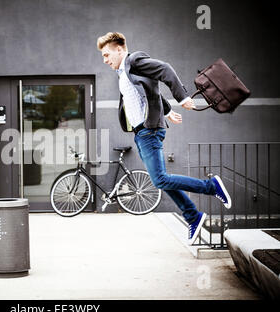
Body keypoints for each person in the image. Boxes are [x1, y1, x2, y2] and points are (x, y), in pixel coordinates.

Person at [97, 32, 231, 245]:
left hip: (149, 131)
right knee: (163, 180)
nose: (105, 60)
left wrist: (183, 97)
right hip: (141, 133)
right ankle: (193, 216)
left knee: (159, 180)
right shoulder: (124, 72)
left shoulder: (134, 60)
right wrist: (167, 112)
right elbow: (150, 91)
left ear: (119, 49)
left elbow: (165, 69)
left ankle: (211, 186)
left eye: (106, 55)